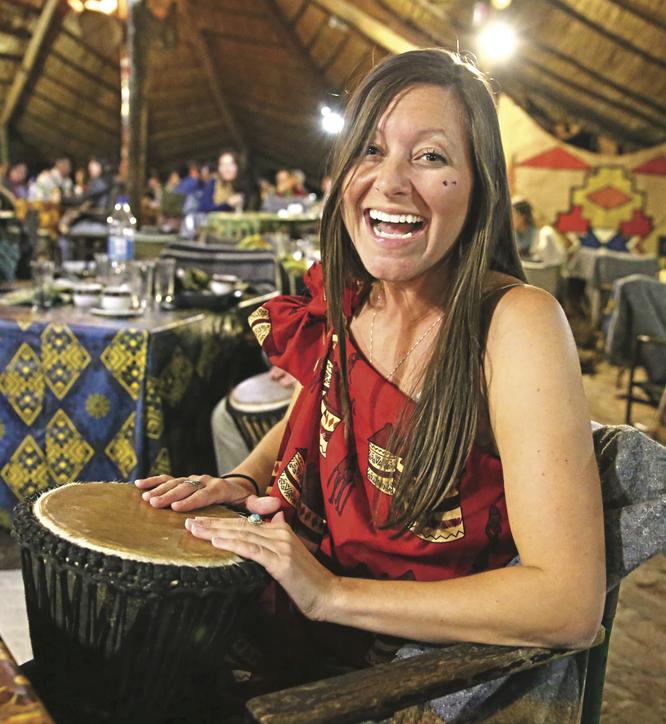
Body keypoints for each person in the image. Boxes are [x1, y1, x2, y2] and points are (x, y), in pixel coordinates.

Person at [136, 49, 604, 695]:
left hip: (402, 678)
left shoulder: (516, 324)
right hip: (286, 631)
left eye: (430, 156)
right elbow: (319, 406)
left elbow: (569, 604)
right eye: (371, 150)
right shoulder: (354, 299)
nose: (391, 181)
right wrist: (242, 479)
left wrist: (330, 593)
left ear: (481, 185)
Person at [511, 197, 566, 266]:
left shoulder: (540, 235)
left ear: (522, 216)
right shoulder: (512, 236)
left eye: (512, 214)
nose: (509, 218)